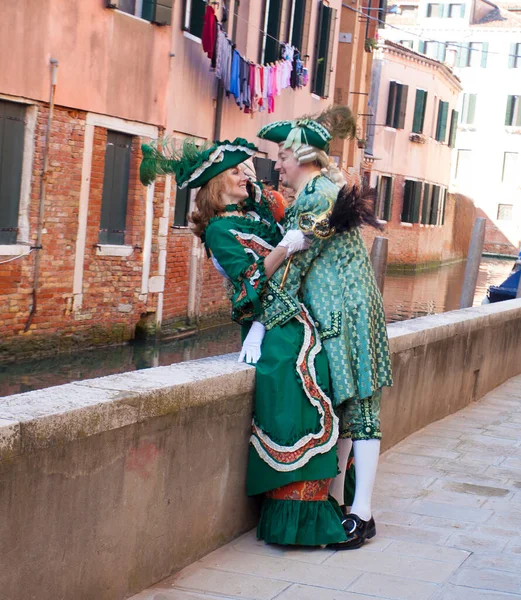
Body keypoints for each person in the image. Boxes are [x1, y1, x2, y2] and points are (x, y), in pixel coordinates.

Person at [140, 137, 348, 546]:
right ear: (217, 184)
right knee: (293, 395)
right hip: (267, 323)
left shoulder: (257, 213)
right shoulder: (219, 231)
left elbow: (297, 217)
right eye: (235, 172)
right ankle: (294, 519)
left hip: (298, 315)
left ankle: (324, 505)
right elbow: (248, 283)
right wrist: (283, 250)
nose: (244, 175)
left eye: (243, 170)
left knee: (325, 380)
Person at [257, 106, 393, 550]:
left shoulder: (316, 197)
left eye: (282, 155)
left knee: (360, 412)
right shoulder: (327, 187)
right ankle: (349, 507)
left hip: (342, 314)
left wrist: (261, 322)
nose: (276, 164)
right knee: (353, 413)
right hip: (354, 308)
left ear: (302, 156)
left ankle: (361, 515)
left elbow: (291, 271)